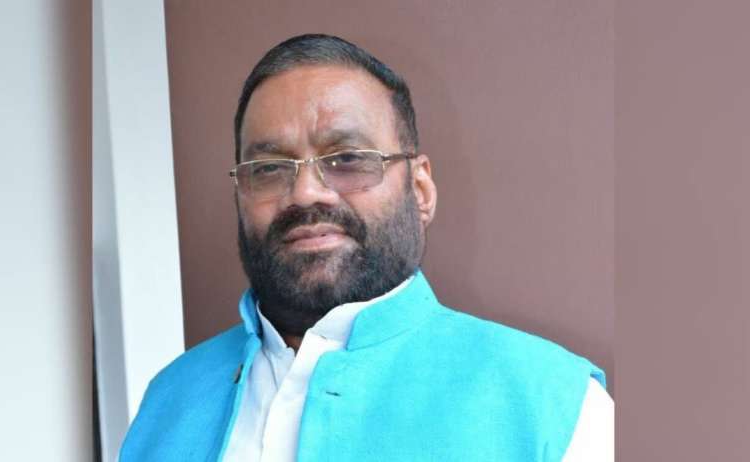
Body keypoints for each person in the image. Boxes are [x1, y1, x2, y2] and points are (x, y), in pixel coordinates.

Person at [120, 34, 613, 462]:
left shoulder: (554, 404)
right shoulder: (168, 400)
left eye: (348, 158)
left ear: (420, 189)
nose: (306, 193)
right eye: (269, 168)